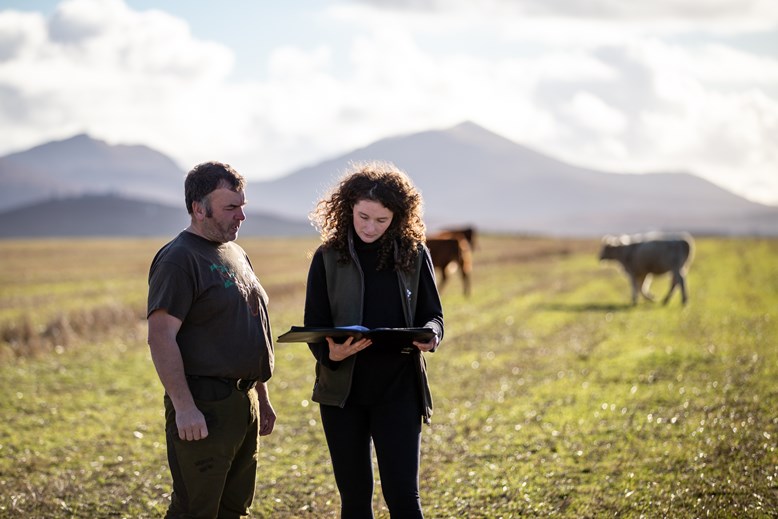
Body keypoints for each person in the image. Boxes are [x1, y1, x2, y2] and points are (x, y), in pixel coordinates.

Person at [303, 161, 444, 518]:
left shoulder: (415, 253)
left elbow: (435, 315)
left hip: (399, 390)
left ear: (398, 216)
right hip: (342, 394)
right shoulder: (327, 257)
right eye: (363, 216)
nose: (370, 227)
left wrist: (432, 335)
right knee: (354, 499)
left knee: (403, 498)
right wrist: (329, 353)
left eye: (381, 220)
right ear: (347, 207)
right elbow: (314, 323)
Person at [147, 161, 276, 518]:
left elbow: (249, 327)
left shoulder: (236, 253)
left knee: (235, 508)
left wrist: (261, 397)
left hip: (243, 401)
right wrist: (185, 408)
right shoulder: (179, 259)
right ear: (198, 208)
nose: (241, 216)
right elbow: (161, 338)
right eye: (231, 208)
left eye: (242, 206)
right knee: (196, 510)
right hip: (204, 404)